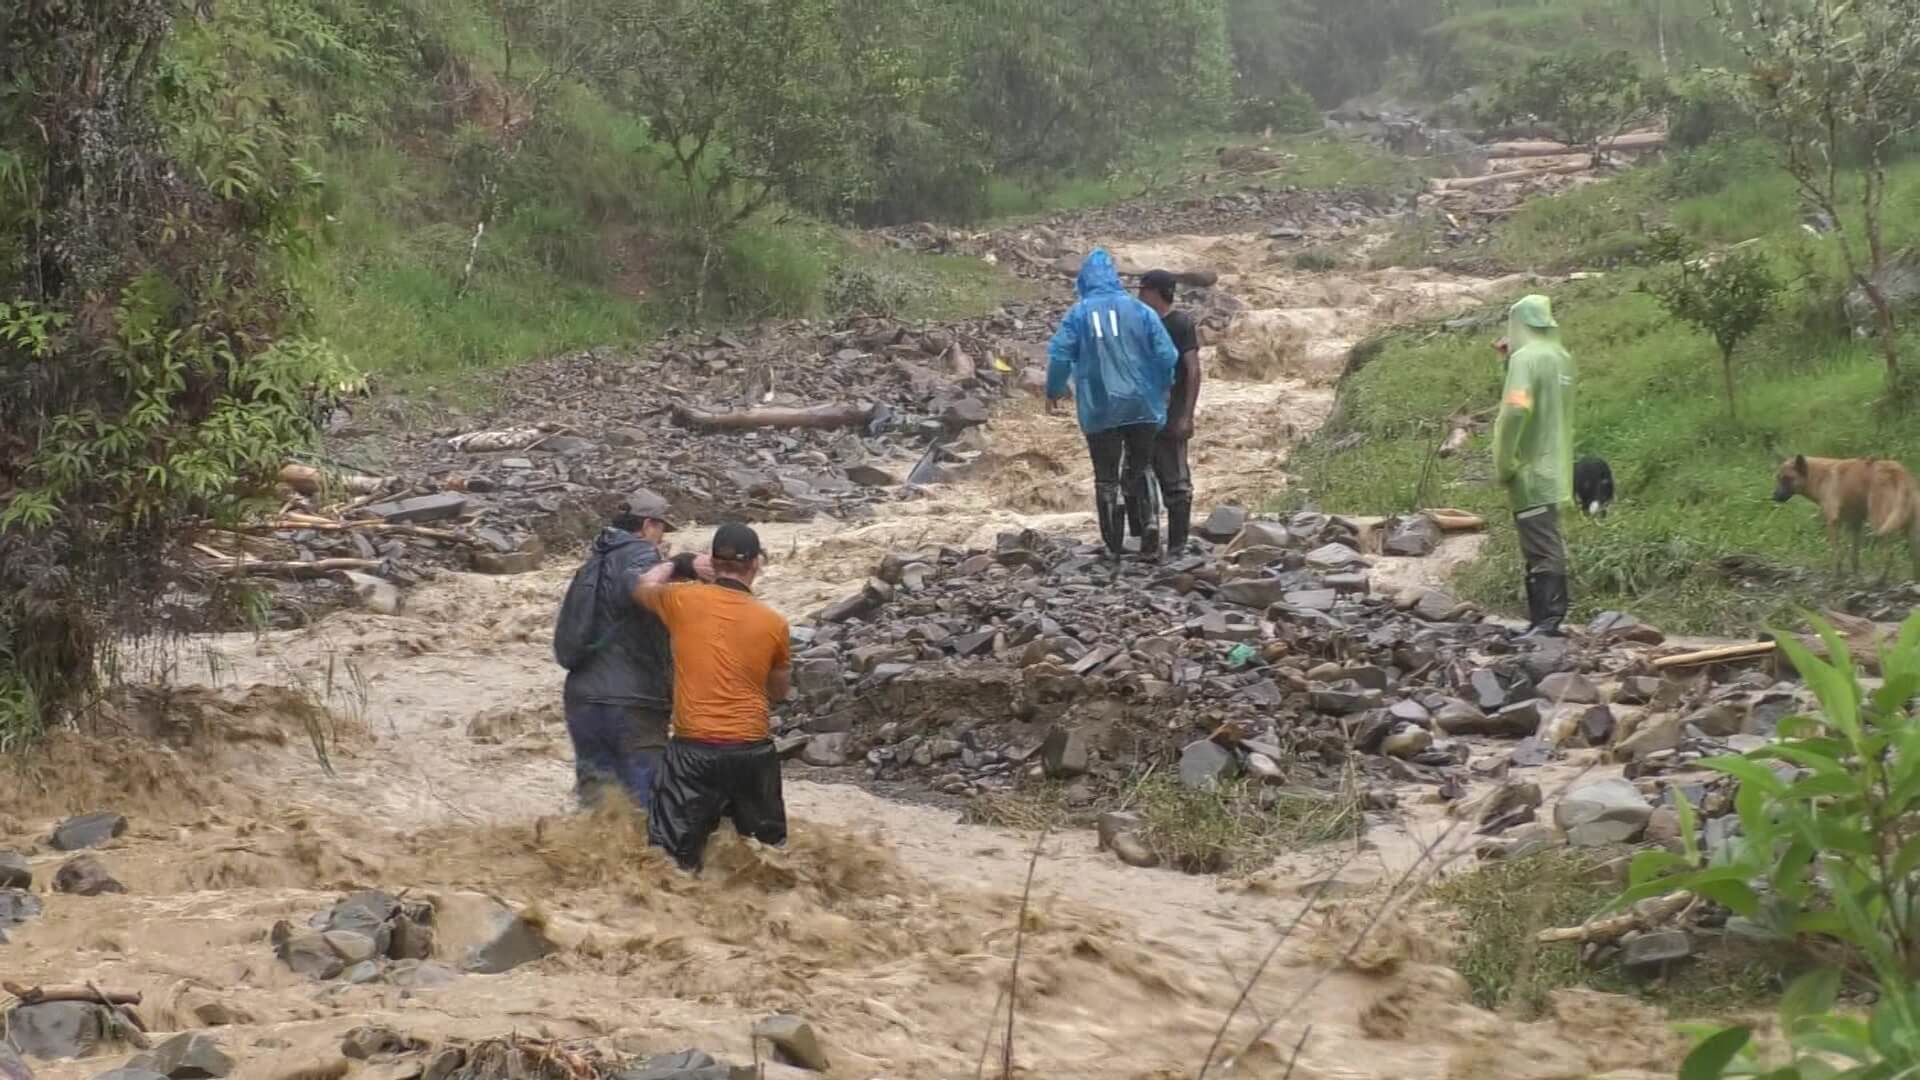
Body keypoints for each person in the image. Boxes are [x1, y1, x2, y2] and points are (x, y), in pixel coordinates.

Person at [631, 523, 793, 871]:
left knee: (670, 864)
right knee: (768, 861)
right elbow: (779, 691)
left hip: (693, 752)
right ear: (756, 565)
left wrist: (677, 564)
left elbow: (642, 586)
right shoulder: (774, 623)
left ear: (713, 563)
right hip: (752, 751)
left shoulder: (681, 600)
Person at [1046, 248, 1179, 558]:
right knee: (1140, 464)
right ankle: (1149, 523)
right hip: (1143, 404)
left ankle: (1114, 542)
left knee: (1106, 475)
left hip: (1100, 405)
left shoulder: (1078, 314)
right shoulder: (1141, 311)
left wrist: (1054, 390)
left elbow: (1059, 355)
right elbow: (1167, 354)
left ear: (1084, 281)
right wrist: (1163, 384)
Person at [554, 492, 680, 810]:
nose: (662, 538)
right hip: (631, 702)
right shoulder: (641, 556)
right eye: (661, 528)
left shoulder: (592, 562)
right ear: (648, 525)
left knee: (598, 806)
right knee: (647, 809)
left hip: (582, 698)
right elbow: (639, 589)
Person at [1491, 294, 1576, 639]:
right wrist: (1507, 362)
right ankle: (1542, 620)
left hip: (1530, 467)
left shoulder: (1526, 359)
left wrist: (1506, 461)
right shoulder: (1562, 357)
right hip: (1557, 464)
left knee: (1540, 544)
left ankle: (1547, 621)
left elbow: (1517, 407)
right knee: (1544, 536)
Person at [1136, 269, 1203, 554]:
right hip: (1140, 413)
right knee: (1139, 473)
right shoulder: (1139, 322)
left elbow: (1193, 369)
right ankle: (1147, 538)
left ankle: (1178, 544)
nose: (1139, 295)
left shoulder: (1180, 323)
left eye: (1144, 290)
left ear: (1158, 293)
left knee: (1176, 482)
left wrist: (1187, 414)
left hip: (1172, 411)